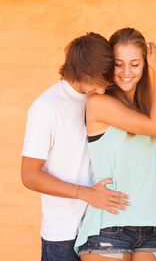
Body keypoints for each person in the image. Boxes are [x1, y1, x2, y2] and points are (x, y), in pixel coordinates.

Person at [74, 28, 156, 261]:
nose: (126, 72)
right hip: (109, 226)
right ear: (110, 66)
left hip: (148, 229)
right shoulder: (100, 103)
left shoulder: (148, 111)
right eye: (119, 64)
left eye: (135, 64)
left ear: (143, 66)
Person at [21, 33, 130, 261]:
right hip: (63, 235)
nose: (102, 89)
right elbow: (29, 175)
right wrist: (86, 194)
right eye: (99, 81)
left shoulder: (100, 100)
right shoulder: (46, 107)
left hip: (100, 227)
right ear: (83, 72)